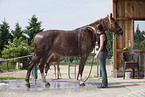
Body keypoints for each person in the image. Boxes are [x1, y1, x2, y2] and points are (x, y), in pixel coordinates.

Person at [94, 24, 108, 88]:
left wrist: (96, 55)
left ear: (98, 29)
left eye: (96, 30)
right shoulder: (102, 34)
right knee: (102, 68)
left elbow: (101, 46)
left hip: (102, 52)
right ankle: (104, 83)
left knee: (103, 69)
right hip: (103, 52)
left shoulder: (102, 35)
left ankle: (104, 84)